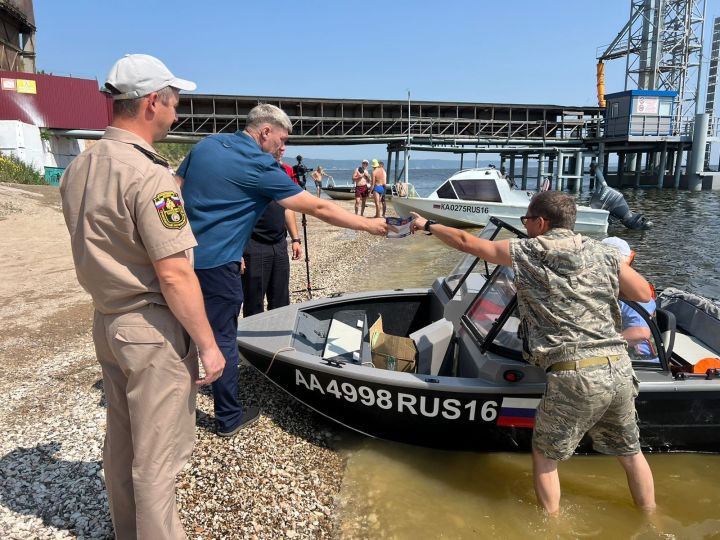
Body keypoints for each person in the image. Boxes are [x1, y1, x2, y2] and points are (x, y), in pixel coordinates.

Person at [60, 54, 225, 539]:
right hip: (150, 329)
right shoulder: (149, 175)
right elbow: (174, 275)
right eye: (174, 103)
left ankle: (127, 530)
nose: (177, 113)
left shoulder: (81, 166)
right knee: (159, 457)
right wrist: (209, 346)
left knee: (124, 441)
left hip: (107, 318)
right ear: (152, 102)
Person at [408, 191, 655, 515]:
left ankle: (551, 529)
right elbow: (642, 292)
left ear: (540, 222)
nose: (525, 226)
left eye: (526, 220)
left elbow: (468, 244)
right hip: (619, 367)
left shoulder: (530, 250)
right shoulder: (602, 252)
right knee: (631, 453)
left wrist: (427, 224)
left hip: (575, 371)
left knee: (545, 456)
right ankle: (651, 517)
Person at [178, 104, 388, 438]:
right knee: (222, 339)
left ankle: (178, 406)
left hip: (179, 258)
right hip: (217, 266)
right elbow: (317, 206)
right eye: (282, 139)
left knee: (185, 334)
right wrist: (369, 225)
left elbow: (176, 190)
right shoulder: (260, 165)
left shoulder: (206, 145)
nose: (283, 147)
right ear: (265, 131)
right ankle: (228, 417)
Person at [241, 145, 303, 317]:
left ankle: (278, 341)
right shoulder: (250, 169)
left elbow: (288, 207)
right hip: (254, 244)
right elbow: (238, 211)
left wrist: (296, 239)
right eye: (280, 142)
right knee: (254, 302)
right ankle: (251, 342)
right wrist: (236, 251)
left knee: (281, 300)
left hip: (279, 243)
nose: (283, 147)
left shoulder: (283, 172)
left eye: (285, 142)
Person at [602, 237, 658, 362]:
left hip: (640, 361)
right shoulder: (606, 286)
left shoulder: (635, 292)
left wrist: (600, 344)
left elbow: (640, 333)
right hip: (616, 354)